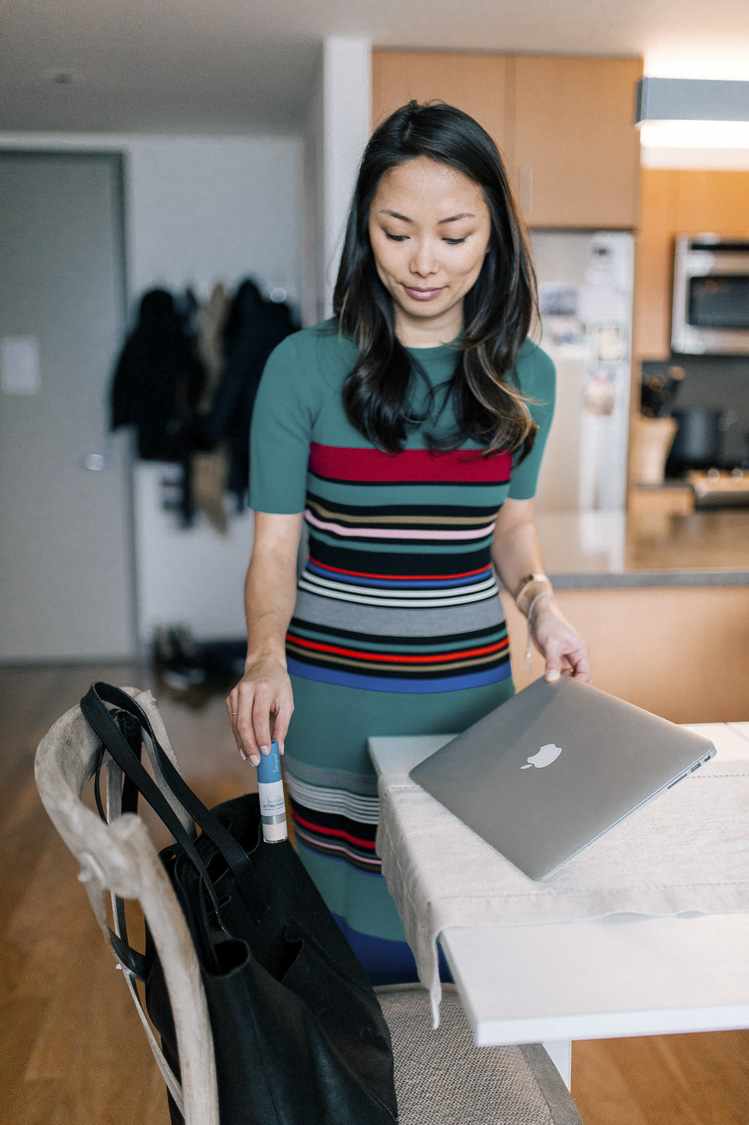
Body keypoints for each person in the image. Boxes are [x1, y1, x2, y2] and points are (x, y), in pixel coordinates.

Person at [227, 101, 591, 983]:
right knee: (341, 951)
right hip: (330, 696)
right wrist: (263, 657)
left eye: (454, 233)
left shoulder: (526, 377)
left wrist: (542, 606)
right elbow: (276, 545)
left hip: (467, 701)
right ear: (365, 231)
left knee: (451, 933)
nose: (423, 262)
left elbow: (510, 525)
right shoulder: (302, 366)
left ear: (495, 232)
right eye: (395, 232)